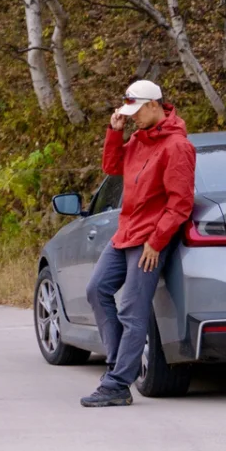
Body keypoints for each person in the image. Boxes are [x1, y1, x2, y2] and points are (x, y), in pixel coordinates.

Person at [80, 78, 196, 407]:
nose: (132, 117)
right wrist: (114, 132)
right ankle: (117, 366)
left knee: (132, 308)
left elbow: (180, 204)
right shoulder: (139, 138)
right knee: (97, 289)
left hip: (150, 240)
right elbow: (112, 166)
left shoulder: (177, 147)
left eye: (135, 111)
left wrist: (157, 242)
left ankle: (117, 384)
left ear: (153, 105)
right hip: (125, 233)